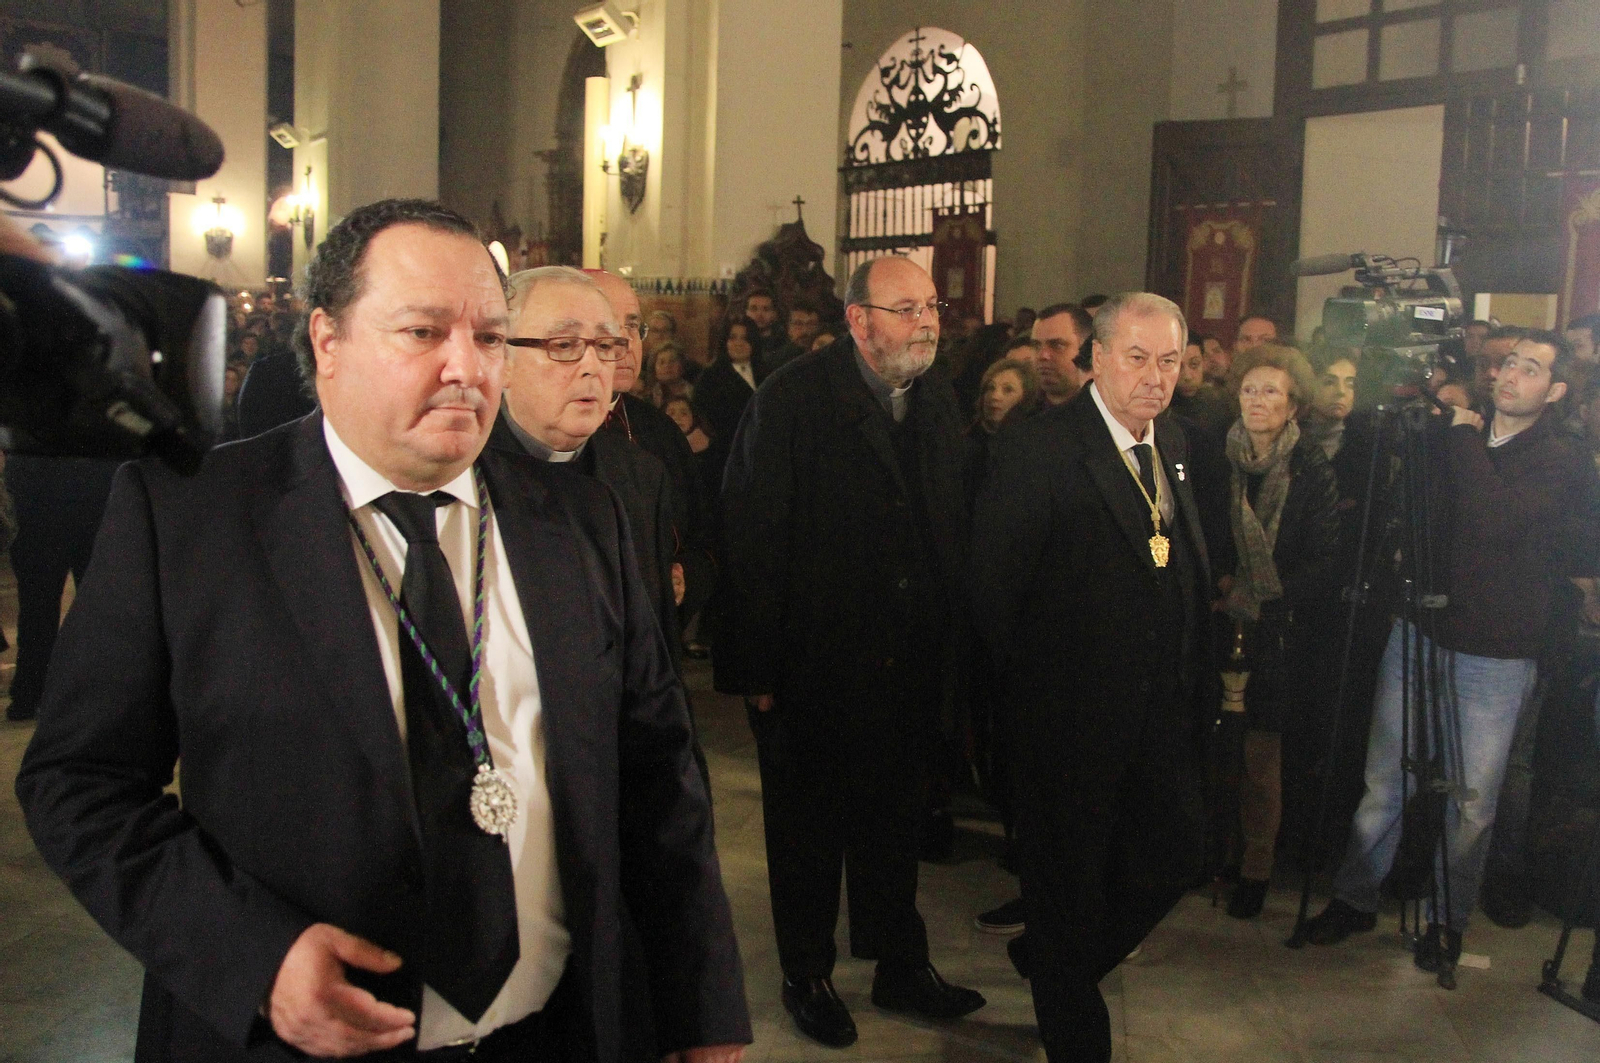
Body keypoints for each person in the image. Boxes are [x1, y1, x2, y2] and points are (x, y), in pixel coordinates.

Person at [15, 199, 750, 1063]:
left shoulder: (583, 519)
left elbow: (659, 772)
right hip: (298, 1043)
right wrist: (254, 956)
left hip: (562, 1031)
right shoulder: (191, 517)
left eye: (487, 335)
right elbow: (79, 781)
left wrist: (701, 1002)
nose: (464, 368)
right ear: (328, 341)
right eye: (423, 332)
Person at [717, 256, 983, 1048]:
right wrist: (756, 670)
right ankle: (808, 972)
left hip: (908, 661)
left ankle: (899, 961)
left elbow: (948, 520)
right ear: (859, 319)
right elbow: (752, 535)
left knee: (894, 822)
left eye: (931, 304)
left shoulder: (935, 396)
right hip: (813, 664)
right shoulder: (793, 399)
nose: (927, 321)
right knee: (806, 831)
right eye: (906, 308)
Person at [1303, 329, 1600, 976]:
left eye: (1530, 368)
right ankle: (1355, 897)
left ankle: (1446, 919)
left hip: (1495, 651)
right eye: (1509, 363)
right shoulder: (1452, 437)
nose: (1511, 375)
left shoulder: (1558, 458)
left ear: (1554, 391)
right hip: (1420, 630)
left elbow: (1495, 522)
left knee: (1472, 799)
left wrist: (1463, 436)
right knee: (1385, 779)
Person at [971, 292, 1211, 1063]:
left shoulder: (1172, 439)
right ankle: (1075, 1032)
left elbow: (1175, 565)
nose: (1155, 377)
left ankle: (1053, 959)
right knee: (1068, 884)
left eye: (1169, 361)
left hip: (1155, 709)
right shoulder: (1040, 447)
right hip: (1064, 715)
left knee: (1179, 851)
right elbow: (992, 591)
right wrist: (1015, 710)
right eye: (1137, 358)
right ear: (1097, 359)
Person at [1210, 343, 1342, 919]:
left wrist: (1263, 594)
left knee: (1263, 758)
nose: (1258, 400)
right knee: (1214, 747)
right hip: (1218, 620)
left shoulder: (1310, 469)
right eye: (1249, 389)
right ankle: (1212, 851)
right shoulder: (1217, 457)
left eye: (1271, 392)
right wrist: (1220, 583)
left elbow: (1322, 558)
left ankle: (1255, 869)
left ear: (1293, 407)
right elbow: (1202, 529)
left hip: (1277, 630)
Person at [693, 317, 764, 493]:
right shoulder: (710, 378)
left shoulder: (767, 372)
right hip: (724, 456)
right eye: (733, 337)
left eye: (745, 338)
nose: (739, 343)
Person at [1034, 304, 1094, 407]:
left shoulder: (1115, 416)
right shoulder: (1018, 418)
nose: (1043, 355)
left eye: (1057, 345)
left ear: (1088, 350)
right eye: (1036, 346)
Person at [762, 302, 823, 377]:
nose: (805, 330)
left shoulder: (824, 356)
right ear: (788, 328)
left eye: (811, 324)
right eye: (798, 324)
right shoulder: (774, 361)